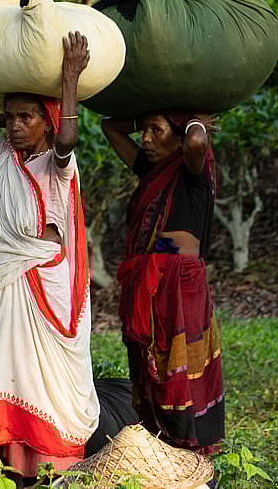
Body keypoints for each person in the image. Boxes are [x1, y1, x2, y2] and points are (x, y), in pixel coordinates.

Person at [0, 32, 99, 486]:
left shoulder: (57, 165)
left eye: (26, 118)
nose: (15, 127)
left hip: (42, 283)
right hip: (8, 284)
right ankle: (14, 463)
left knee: (44, 377)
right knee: (9, 371)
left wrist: (68, 79)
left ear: (48, 122)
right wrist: (11, 108)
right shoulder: (4, 158)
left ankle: (54, 463)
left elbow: (69, 136)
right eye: (11, 119)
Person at [101, 110, 224, 454]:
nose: (146, 139)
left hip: (178, 284)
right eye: (146, 131)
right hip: (145, 283)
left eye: (157, 131)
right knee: (147, 362)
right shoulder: (152, 170)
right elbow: (110, 125)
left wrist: (194, 121)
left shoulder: (192, 172)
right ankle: (160, 447)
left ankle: (189, 451)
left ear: (181, 136)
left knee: (178, 369)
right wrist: (149, 117)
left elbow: (198, 141)